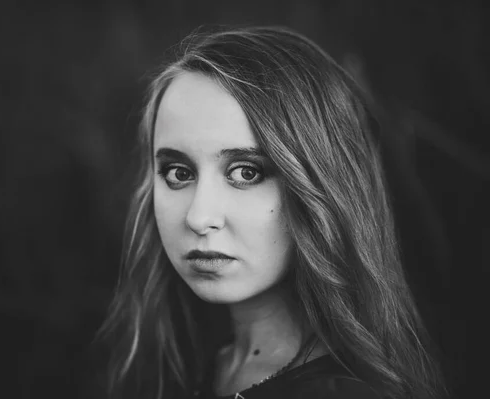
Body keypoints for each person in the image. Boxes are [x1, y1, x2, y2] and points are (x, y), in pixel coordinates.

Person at [94, 26, 446, 399]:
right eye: (179, 174)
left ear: (321, 186)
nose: (199, 217)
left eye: (247, 172)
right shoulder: (178, 366)